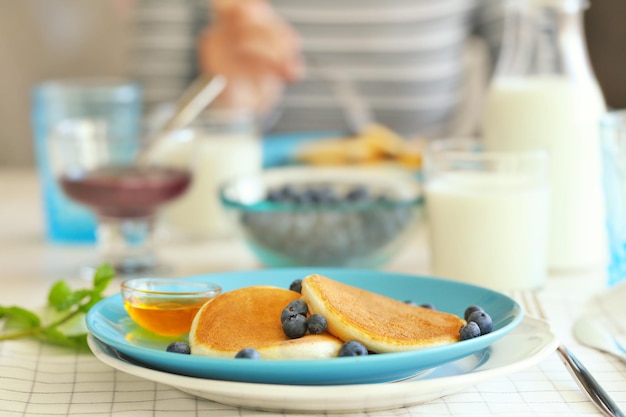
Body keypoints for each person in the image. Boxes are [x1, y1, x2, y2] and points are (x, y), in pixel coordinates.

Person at [131, 0, 503, 139]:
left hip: (429, 222)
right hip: (228, 230)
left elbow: (544, 88)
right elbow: (148, 144)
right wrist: (230, 110)